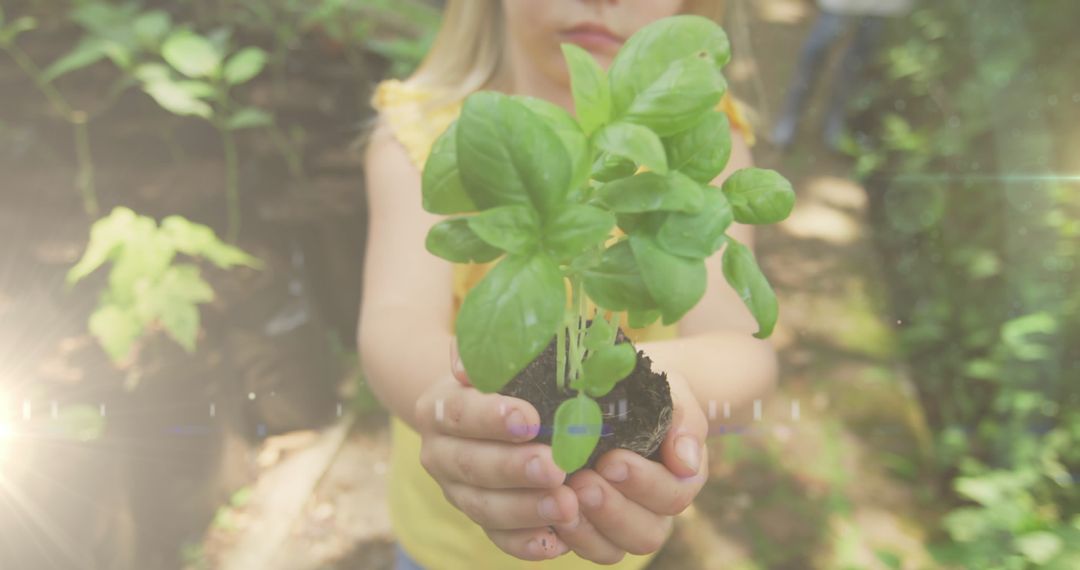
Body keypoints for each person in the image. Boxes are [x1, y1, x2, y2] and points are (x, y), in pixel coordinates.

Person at [358, 1, 779, 568]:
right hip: (449, 540)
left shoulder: (697, 149)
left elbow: (744, 351)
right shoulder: (431, 135)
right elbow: (394, 325)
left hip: (617, 536)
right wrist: (464, 406)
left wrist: (659, 388)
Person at [770, 0, 913, 151]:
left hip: (880, 7)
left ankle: (835, 120)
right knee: (818, 47)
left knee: (857, 60)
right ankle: (790, 116)